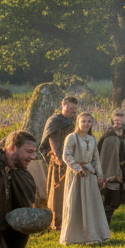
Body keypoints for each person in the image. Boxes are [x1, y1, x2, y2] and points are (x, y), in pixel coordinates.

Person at [60, 112, 111, 245]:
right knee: (76, 203)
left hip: (90, 175)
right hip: (76, 175)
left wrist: (100, 175)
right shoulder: (72, 137)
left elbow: (96, 159)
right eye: (83, 121)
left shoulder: (92, 139)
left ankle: (93, 234)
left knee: (91, 204)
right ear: (78, 122)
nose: (86, 124)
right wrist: (78, 168)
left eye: (89, 121)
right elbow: (66, 155)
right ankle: (74, 237)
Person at [40, 96, 79, 231]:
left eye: (75, 109)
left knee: (73, 188)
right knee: (59, 189)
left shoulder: (77, 120)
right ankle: (58, 221)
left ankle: (73, 218)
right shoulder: (55, 121)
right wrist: (60, 158)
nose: (72, 111)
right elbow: (53, 140)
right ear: (63, 106)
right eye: (70, 108)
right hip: (59, 160)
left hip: (75, 158)